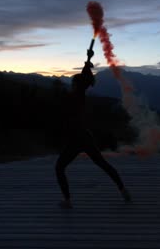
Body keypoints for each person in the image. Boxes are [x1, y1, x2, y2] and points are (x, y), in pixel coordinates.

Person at [55, 48, 131, 209]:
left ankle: (67, 201)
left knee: (59, 167)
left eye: (73, 82)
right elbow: (84, 79)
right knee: (102, 164)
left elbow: (83, 79)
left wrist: (87, 62)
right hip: (84, 136)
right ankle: (123, 190)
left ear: (76, 84)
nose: (72, 84)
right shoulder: (79, 95)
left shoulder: (77, 95)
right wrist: (88, 62)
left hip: (77, 139)